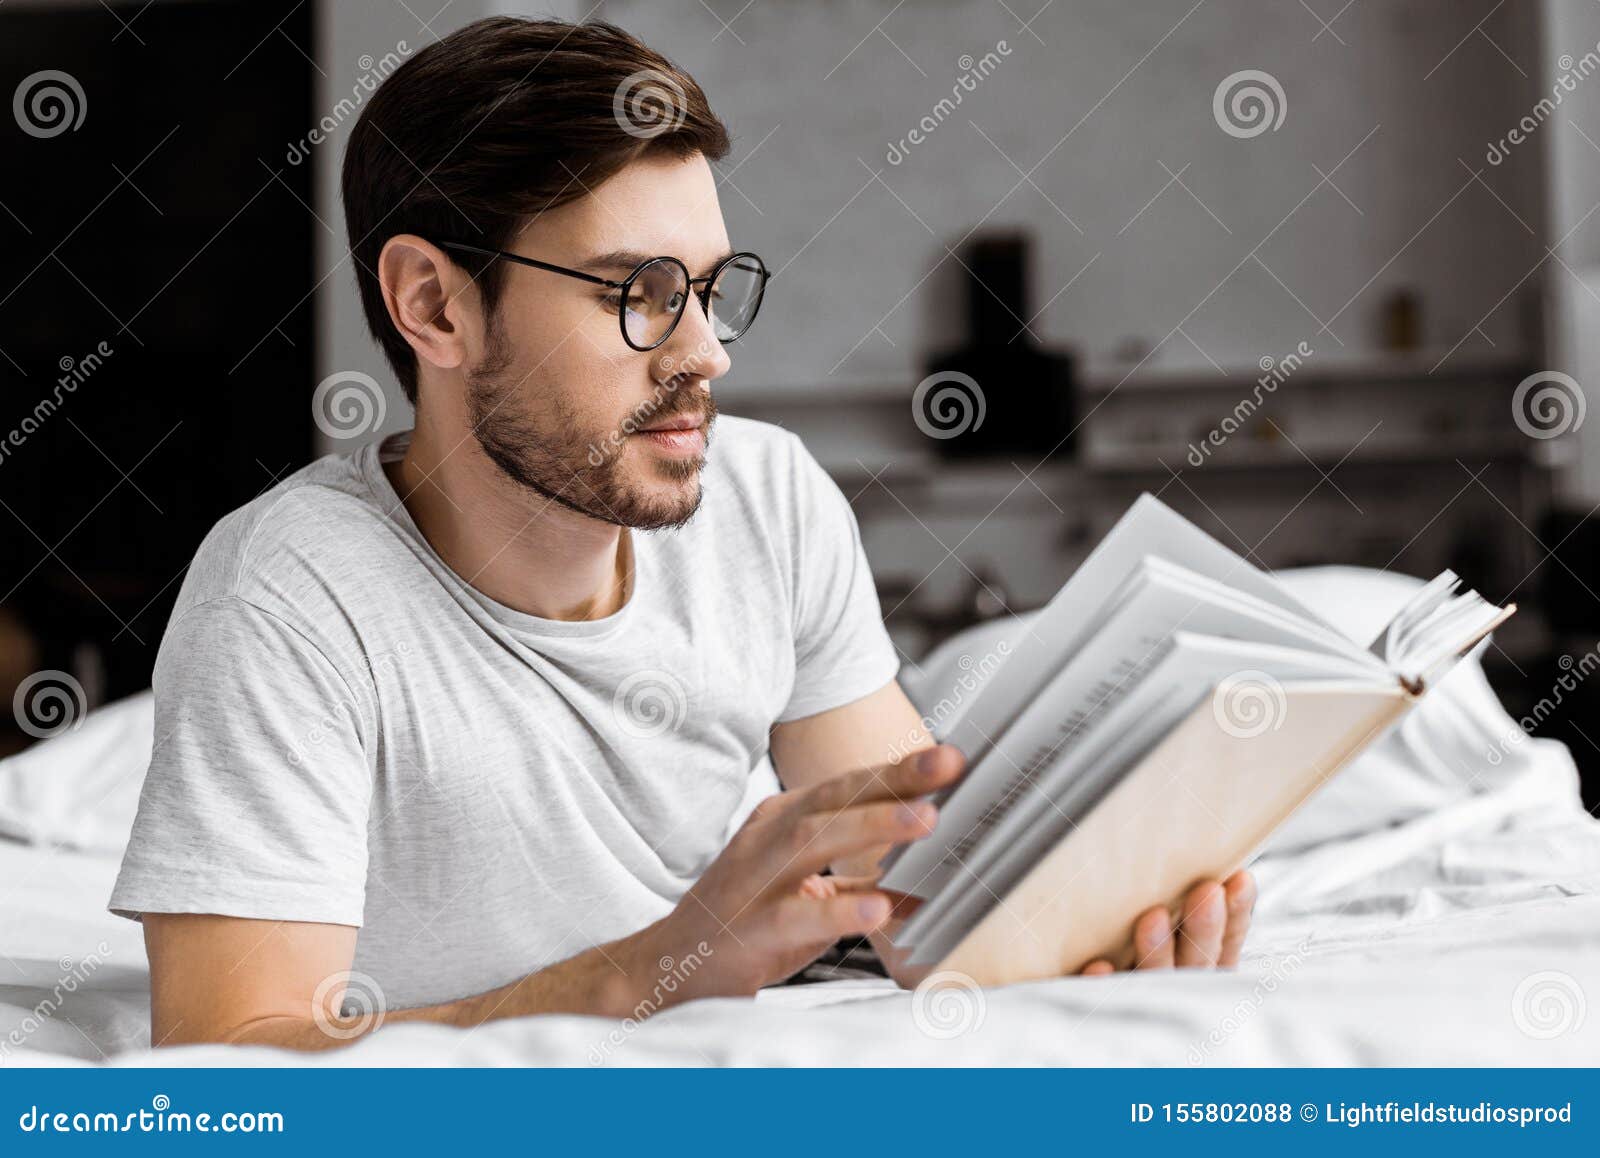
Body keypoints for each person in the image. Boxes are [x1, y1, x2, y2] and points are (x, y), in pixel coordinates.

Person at [110, 17, 1254, 1050]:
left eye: (710, 289)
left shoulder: (767, 496)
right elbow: (227, 1058)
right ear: (435, 306)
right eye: (637, 293)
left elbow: (907, 887)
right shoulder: (290, 591)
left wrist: (1082, 918)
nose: (706, 353)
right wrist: (657, 971)